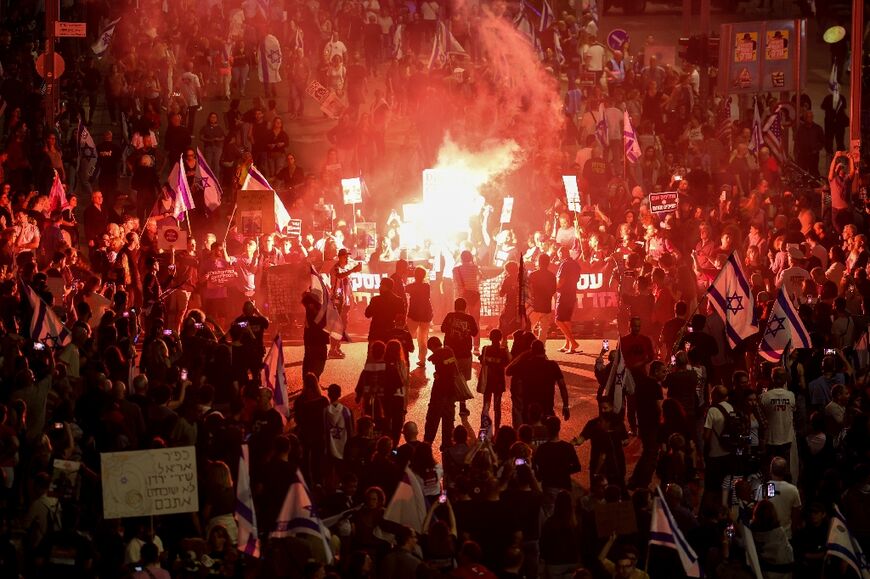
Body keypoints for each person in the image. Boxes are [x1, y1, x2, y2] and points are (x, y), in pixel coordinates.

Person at [441, 297, 478, 417]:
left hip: (450, 355)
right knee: (463, 379)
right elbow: (475, 333)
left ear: (455, 306)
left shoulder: (450, 316)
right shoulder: (469, 318)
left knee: (449, 378)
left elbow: (442, 329)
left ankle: (449, 405)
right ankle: (463, 407)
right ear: (465, 307)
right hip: (464, 355)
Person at [423, 337, 460, 450]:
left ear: (433, 346)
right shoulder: (449, 351)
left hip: (439, 390)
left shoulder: (437, 354)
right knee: (448, 418)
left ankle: (427, 443)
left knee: (433, 418)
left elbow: (432, 359)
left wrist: (437, 374)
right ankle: (447, 443)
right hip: (451, 390)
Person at [477, 329, 510, 431]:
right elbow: (507, 362)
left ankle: (485, 429)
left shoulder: (485, 349)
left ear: (490, 337)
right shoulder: (503, 350)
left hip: (488, 381)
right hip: (499, 382)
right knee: (497, 407)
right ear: (500, 338)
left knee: (486, 405)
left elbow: (481, 360)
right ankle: (497, 429)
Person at [452, 250, 482, 352]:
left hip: (463, 297)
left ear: (461, 258)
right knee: (475, 321)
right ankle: (476, 346)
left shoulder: (456, 269)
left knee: (461, 321)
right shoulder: (475, 268)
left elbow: (456, 282)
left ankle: (462, 344)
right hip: (475, 295)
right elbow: (480, 278)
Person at [405, 266, 434, 368]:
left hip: (414, 314)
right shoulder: (426, 286)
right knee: (423, 338)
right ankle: (422, 360)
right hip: (426, 315)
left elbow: (404, 289)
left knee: (407, 337)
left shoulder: (411, 286)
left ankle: (404, 357)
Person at [554, 246, 581, 353]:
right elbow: (577, 279)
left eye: (558, 254)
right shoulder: (575, 264)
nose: (558, 256)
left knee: (558, 320)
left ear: (561, 253)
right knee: (566, 320)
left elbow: (561, 281)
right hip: (572, 294)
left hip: (564, 295)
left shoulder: (564, 264)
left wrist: (554, 288)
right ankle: (568, 344)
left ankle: (573, 342)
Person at [527, 252, 557, 343]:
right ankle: (541, 349)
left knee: (529, 329)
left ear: (538, 262)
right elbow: (553, 290)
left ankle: (530, 348)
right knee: (543, 331)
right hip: (546, 306)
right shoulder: (552, 275)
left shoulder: (533, 275)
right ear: (548, 263)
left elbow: (528, 289)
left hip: (534, 306)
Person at [365, 277, 403, 343]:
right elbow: (400, 319)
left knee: (374, 352)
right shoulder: (398, 300)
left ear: (385, 286)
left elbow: (367, 314)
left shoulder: (375, 300)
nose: (379, 287)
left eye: (381, 285)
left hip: (376, 332)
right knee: (390, 352)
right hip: (391, 332)